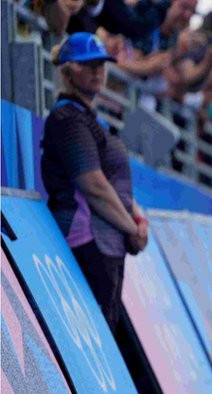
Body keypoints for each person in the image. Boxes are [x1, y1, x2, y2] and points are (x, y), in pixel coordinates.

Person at [40, 32, 149, 334]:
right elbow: (94, 185)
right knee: (95, 332)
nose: (98, 71)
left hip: (108, 241)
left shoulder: (93, 120)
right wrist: (132, 228)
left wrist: (138, 219)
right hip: (87, 240)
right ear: (68, 70)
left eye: (101, 64)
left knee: (107, 328)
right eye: (89, 64)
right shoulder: (67, 119)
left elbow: (117, 184)